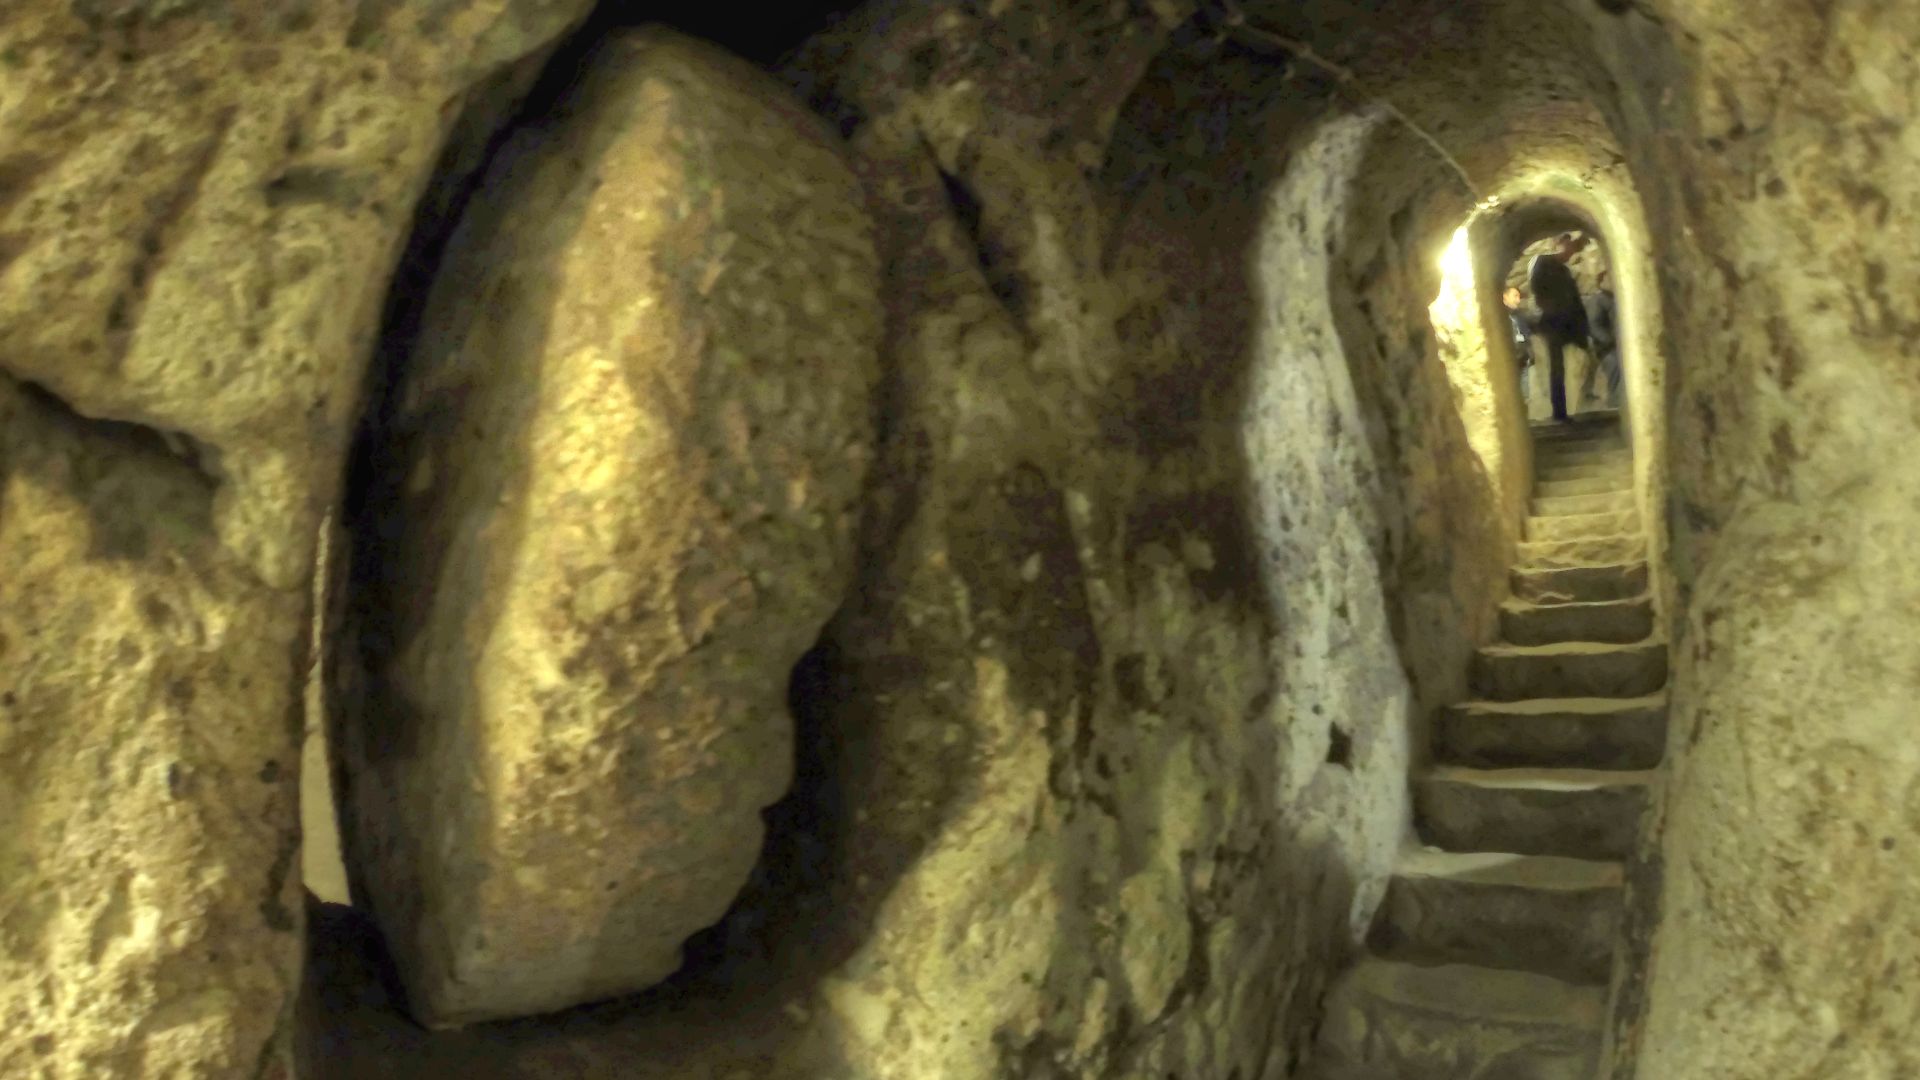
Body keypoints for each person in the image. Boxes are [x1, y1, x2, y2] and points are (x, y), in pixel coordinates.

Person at [1527, 233, 1591, 422]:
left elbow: (1574, 300)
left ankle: (1562, 411)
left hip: (1563, 323)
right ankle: (1559, 412)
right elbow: (1540, 292)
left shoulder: (1563, 270)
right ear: (1559, 243)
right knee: (1556, 368)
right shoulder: (1542, 263)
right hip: (1552, 323)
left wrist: (1581, 327)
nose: (1572, 253)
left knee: (1562, 368)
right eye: (1570, 247)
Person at [1583, 268, 1621, 408]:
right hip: (1609, 350)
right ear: (1601, 281)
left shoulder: (1616, 299)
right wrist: (1611, 341)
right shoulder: (1598, 300)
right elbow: (1593, 325)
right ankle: (1615, 406)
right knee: (1616, 374)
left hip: (1618, 347)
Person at [1504, 285, 1536, 407]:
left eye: (1519, 297)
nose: (1518, 300)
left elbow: (1527, 334)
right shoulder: (1501, 317)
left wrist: (1530, 352)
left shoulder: (1520, 316)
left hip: (1522, 358)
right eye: (1515, 296)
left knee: (1524, 397)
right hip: (1509, 360)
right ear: (1505, 297)